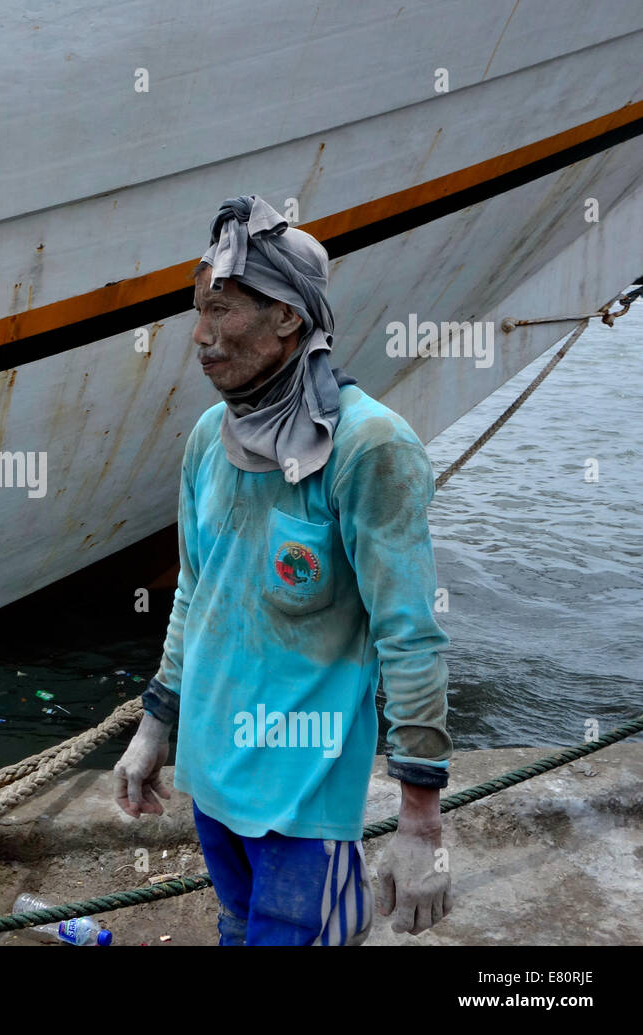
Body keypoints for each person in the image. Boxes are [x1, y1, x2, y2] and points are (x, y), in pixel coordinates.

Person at [114, 194, 453, 946]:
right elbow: (197, 592)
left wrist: (421, 819)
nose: (200, 337)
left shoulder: (369, 449)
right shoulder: (210, 436)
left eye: (222, 310)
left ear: (289, 320)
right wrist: (155, 724)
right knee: (238, 929)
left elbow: (410, 634)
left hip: (304, 803)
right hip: (211, 777)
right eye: (196, 311)